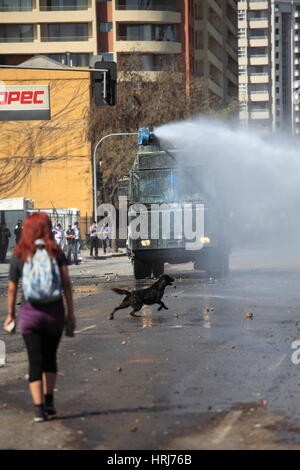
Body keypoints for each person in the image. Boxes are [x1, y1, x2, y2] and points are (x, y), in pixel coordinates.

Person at [3, 212, 75, 422]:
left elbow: (12, 288)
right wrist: (70, 313)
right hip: (54, 313)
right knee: (50, 358)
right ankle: (50, 402)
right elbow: (67, 285)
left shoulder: (20, 254)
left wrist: (10, 315)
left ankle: (38, 410)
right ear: (48, 228)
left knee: (35, 361)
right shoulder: (55, 252)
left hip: (30, 314)